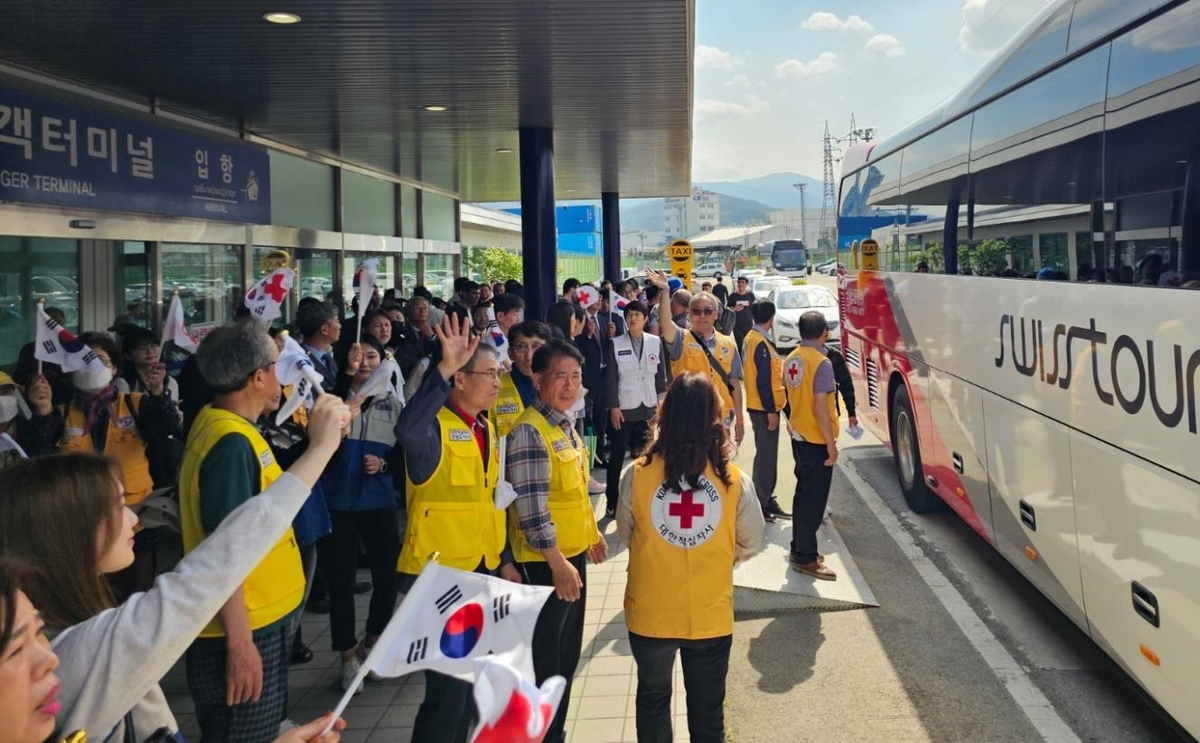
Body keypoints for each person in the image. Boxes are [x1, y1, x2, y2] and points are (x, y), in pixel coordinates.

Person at [0, 393, 351, 742]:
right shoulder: (77, 654)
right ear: (69, 530)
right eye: (119, 504)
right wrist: (319, 449)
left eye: (36, 630)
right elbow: (217, 564)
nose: (133, 517)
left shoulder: (74, 636)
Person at [616, 372, 764, 743]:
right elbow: (752, 541)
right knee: (708, 712)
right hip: (709, 612)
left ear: (664, 415)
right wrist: (720, 554)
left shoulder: (636, 475)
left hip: (650, 611)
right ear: (714, 417)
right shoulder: (732, 478)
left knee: (652, 699)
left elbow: (625, 533)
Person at [179, 322, 308, 741]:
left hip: (261, 620)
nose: (281, 378)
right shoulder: (230, 443)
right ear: (257, 377)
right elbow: (225, 553)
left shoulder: (225, 424)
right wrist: (239, 645)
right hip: (243, 629)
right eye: (276, 367)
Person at [395, 314, 520, 743]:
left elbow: (488, 502)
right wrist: (442, 368)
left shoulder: (484, 428)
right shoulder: (433, 429)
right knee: (447, 693)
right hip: (439, 578)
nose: (497, 381)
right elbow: (406, 429)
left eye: (498, 373)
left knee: (468, 686)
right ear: (460, 381)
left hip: (478, 570)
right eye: (489, 374)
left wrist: (503, 560)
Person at [21, 331, 181, 596]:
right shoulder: (59, 413)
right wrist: (42, 410)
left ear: (115, 368)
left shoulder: (134, 403)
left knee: (136, 592)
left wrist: (158, 392)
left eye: (101, 360)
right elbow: (38, 455)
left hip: (136, 518)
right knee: (90, 594)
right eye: (84, 360)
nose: (93, 366)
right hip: (81, 520)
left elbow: (168, 425)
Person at [506, 339, 608, 742]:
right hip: (545, 566)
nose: (569, 385)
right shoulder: (530, 431)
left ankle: (556, 732)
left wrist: (592, 533)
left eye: (575, 377)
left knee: (566, 656)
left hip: (569, 557)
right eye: (560, 377)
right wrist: (556, 562)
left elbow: (574, 492)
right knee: (546, 662)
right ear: (537, 378)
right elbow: (532, 508)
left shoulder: (563, 423)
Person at [318, 334, 403, 694]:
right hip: (337, 502)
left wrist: (383, 466)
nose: (366, 362)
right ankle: (347, 655)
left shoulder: (392, 403)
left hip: (379, 503)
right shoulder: (333, 400)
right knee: (341, 581)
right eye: (359, 355)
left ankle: (372, 640)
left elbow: (402, 458)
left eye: (373, 356)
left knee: (388, 576)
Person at [646, 270, 746, 446]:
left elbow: (734, 384)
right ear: (689, 314)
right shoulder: (681, 339)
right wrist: (665, 291)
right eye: (697, 311)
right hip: (687, 419)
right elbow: (665, 322)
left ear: (716, 315)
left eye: (708, 311)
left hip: (720, 419)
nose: (702, 316)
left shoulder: (728, 344)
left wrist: (740, 420)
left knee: (717, 468)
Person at [783, 311, 840, 581]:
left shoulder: (791, 358)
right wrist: (831, 445)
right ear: (824, 334)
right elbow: (820, 406)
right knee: (813, 501)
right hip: (816, 440)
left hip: (799, 436)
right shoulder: (822, 362)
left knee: (802, 495)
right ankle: (806, 557)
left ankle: (798, 548)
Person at [603, 300, 667, 518]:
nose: (633, 319)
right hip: (624, 406)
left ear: (645, 318)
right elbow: (611, 379)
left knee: (649, 456)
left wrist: (662, 403)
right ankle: (612, 502)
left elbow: (661, 376)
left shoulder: (654, 342)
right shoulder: (616, 343)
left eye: (637, 315)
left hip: (648, 406)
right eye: (629, 315)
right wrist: (613, 406)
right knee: (618, 456)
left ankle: (647, 501)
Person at [743, 301, 791, 522]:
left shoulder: (756, 338)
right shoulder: (758, 341)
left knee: (766, 457)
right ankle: (761, 503)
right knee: (766, 458)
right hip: (764, 409)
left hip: (763, 407)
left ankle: (765, 498)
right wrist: (771, 411)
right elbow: (763, 381)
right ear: (771, 317)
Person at [492, 321, 552, 437]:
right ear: (510, 353)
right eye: (521, 347)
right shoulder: (494, 387)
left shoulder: (558, 388)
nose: (529, 356)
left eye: (536, 347)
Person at [296, 300, 362, 396]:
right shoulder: (302, 361)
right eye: (337, 321)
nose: (340, 326)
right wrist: (350, 371)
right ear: (324, 329)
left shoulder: (326, 358)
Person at [727, 276, 756, 350]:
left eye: (742, 282)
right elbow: (727, 309)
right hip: (737, 325)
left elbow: (755, 308)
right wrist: (734, 309)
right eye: (739, 282)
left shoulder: (750, 296)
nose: (740, 284)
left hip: (749, 325)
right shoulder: (733, 296)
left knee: (748, 345)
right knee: (740, 345)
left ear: (746, 284)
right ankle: (741, 361)